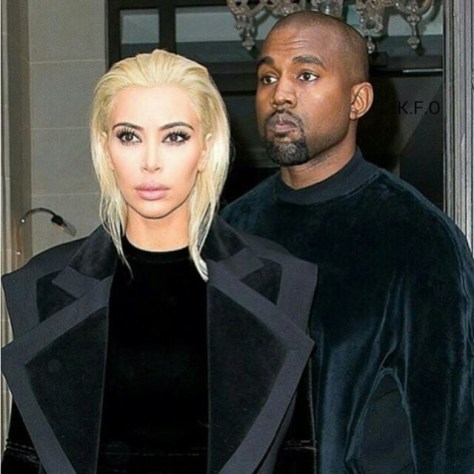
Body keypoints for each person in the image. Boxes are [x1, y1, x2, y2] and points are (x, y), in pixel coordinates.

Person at [1, 49, 318, 474]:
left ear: (206, 148)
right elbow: (25, 454)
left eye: (175, 137)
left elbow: (297, 452)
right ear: (105, 147)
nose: (150, 162)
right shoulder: (45, 286)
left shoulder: (278, 282)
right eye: (129, 137)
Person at [222, 11, 474, 474]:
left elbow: (451, 433)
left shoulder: (418, 237)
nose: (280, 94)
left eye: (306, 75)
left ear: (358, 100)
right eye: (268, 77)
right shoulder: (230, 230)